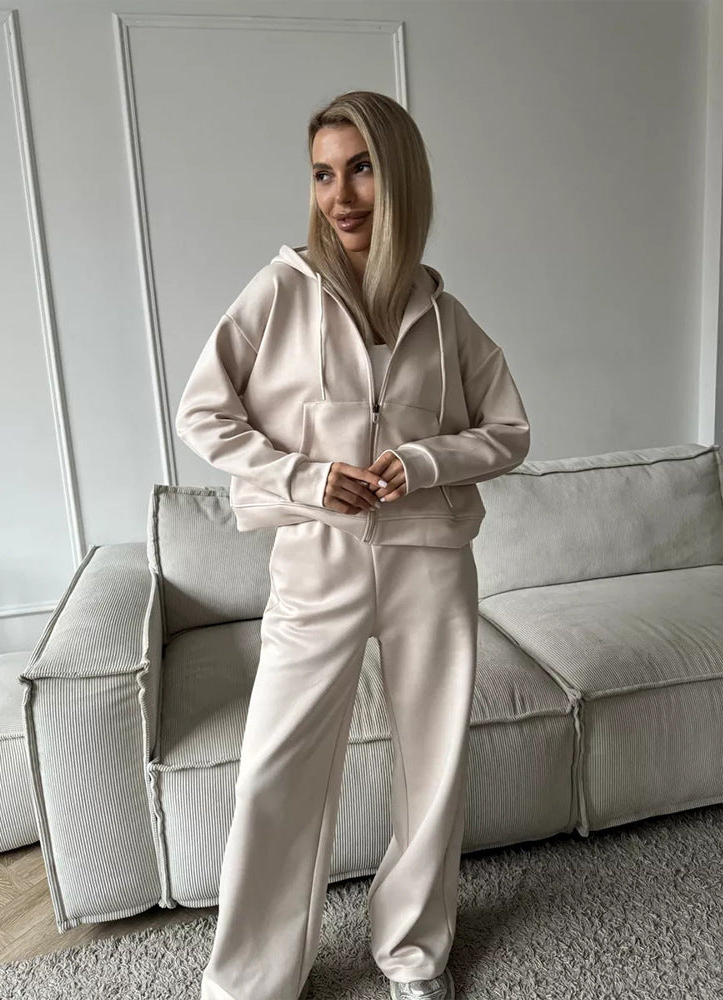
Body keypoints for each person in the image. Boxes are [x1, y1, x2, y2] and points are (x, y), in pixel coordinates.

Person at [175, 90, 530, 1000]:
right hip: (318, 561)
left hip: (430, 562)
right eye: (324, 174)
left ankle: (413, 954)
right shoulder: (279, 291)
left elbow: (510, 431)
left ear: (400, 176)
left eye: (362, 169)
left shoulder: (444, 315)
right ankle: (250, 982)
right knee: (277, 768)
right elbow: (201, 413)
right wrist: (303, 476)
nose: (340, 196)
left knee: (433, 763)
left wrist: (424, 459)